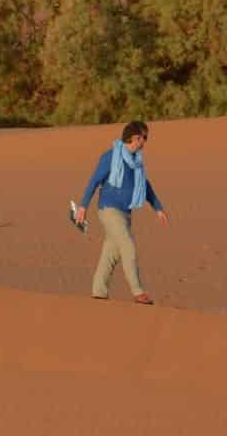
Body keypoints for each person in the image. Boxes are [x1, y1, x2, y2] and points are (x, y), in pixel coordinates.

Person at [71, 120, 167, 304]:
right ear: (135, 138)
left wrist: (158, 208)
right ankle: (138, 292)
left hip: (126, 213)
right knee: (127, 245)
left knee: (111, 253)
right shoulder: (111, 157)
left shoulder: (137, 162)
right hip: (109, 209)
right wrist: (83, 206)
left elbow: (145, 187)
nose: (145, 142)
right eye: (144, 138)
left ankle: (98, 291)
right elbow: (94, 181)